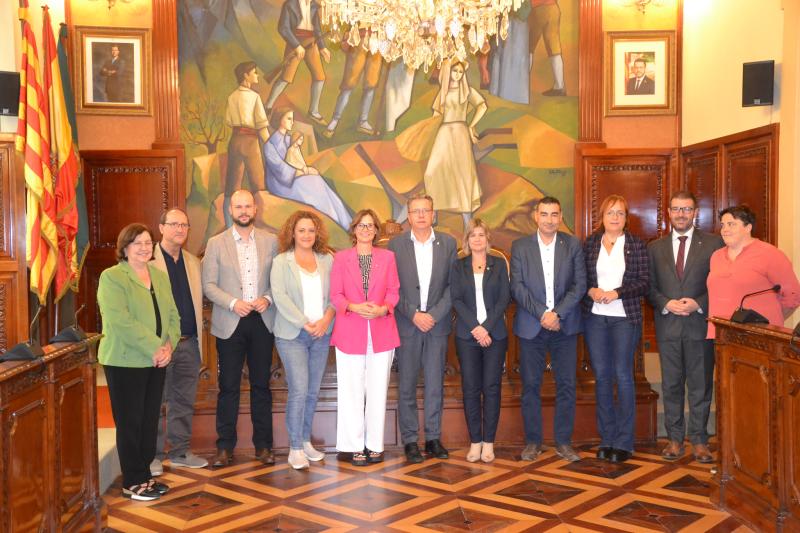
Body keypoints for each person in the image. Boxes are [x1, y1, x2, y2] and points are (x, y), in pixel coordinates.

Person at [97, 223, 180, 500]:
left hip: (156, 360)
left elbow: (173, 315)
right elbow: (120, 321)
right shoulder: (112, 277)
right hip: (125, 361)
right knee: (130, 422)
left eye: (147, 242)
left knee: (148, 420)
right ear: (125, 248)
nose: (144, 248)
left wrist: (169, 346)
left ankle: (145, 475)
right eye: (137, 243)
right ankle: (132, 481)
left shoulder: (159, 276)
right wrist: (155, 347)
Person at [202, 189, 278, 467]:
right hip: (229, 322)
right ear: (230, 210)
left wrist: (267, 298)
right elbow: (208, 285)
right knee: (228, 387)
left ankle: (264, 447)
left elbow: (279, 281)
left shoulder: (271, 241)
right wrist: (234, 303)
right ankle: (224, 448)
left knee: (261, 386)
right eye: (238, 207)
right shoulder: (216, 243)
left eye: (248, 206)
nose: (243, 211)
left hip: (262, 321)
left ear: (255, 209)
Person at [647, 192, 724, 464]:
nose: (681, 214)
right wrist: (666, 303)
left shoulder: (713, 244)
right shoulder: (654, 247)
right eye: (677, 209)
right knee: (671, 385)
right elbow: (649, 287)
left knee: (700, 386)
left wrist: (699, 303)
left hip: (699, 326)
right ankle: (675, 439)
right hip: (668, 327)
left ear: (695, 212)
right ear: (668, 212)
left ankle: (700, 440)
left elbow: (721, 284)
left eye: (687, 209)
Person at [510, 197, 586, 463]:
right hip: (532, 326)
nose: (550, 220)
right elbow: (517, 286)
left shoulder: (572, 244)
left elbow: (580, 285)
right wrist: (543, 314)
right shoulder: (520, 246)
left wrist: (557, 314)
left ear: (560, 216)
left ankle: (563, 442)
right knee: (531, 385)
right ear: (536, 216)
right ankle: (533, 442)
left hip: (565, 325)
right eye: (544, 214)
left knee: (566, 385)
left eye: (554, 214)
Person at [388, 194, 457, 463]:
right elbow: (391, 287)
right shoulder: (396, 245)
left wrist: (434, 315)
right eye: (415, 211)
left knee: (434, 384)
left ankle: (433, 438)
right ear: (408, 216)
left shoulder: (448, 243)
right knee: (406, 384)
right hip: (408, 323)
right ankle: (409, 440)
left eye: (425, 211)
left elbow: (453, 286)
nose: (420, 215)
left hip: (437, 325)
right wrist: (414, 314)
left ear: (433, 214)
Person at [330, 209, 400, 466]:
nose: (366, 230)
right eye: (361, 225)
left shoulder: (388, 257)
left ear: (376, 231)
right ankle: (354, 446)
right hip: (350, 331)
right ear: (354, 229)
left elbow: (394, 291)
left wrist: (384, 309)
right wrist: (352, 306)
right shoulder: (341, 258)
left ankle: (374, 445)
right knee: (351, 391)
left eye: (370, 226)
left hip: (381, 331)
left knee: (378, 390)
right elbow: (335, 295)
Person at [582, 194, 649, 464]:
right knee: (602, 377)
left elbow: (644, 282)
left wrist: (617, 293)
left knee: (623, 376)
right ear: (602, 216)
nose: (615, 217)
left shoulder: (635, 244)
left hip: (624, 318)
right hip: (595, 319)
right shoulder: (590, 243)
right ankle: (607, 438)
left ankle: (623, 442)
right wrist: (591, 290)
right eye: (610, 212)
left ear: (626, 218)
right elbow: (581, 278)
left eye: (620, 213)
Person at [270, 210, 336, 469]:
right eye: (301, 230)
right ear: (292, 233)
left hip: (321, 334)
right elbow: (280, 296)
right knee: (299, 389)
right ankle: (295, 447)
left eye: (311, 230)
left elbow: (336, 294)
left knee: (312, 391)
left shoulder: (327, 260)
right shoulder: (281, 262)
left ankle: (306, 441)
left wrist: (326, 320)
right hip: (292, 335)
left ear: (317, 233)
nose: (307, 235)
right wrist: (304, 323)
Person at [150, 209, 209, 475]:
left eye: (184, 225)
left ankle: (180, 452)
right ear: (161, 227)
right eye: (174, 224)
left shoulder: (193, 262)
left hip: (189, 343)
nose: (180, 229)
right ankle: (152, 455)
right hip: (159, 345)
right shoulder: (148, 260)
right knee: (155, 402)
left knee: (183, 402)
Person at [450, 219, 510, 463]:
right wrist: (476, 328)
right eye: (472, 235)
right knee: (471, 388)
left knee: (492, 388)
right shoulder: (458, 266)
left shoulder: (499, 264)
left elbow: (504, 299)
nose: (477, 239)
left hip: (495, 335)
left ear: (487, 239)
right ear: (467, 240)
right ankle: (475, 441)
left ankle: (489, 442)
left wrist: (486, 328)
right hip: (467, 336)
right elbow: (456, 299)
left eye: (481, 234)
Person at [707, 204, 800, 338]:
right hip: (721, 335)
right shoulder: (716, 256)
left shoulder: (771, 254)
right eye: (723, 225)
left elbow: (793, 296)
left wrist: (770, 321)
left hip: (759, 337)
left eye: (731, 224)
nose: (724, 230)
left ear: (748, 227)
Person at [423, 60, 487, 232]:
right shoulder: (443, 93)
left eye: (460, 71)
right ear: (448, 72)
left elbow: (482, 106)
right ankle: (434, 215)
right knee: (432, 172)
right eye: (454, 71)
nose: (458, 74)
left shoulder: (466, 91)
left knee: (462, 175)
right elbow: (436, 116)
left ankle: (467, 222)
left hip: (460, 133)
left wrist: (471, 126)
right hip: (444, 134)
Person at [264, 108, 352, 229]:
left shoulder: (290, 139)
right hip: (281, 185)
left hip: (295, 177)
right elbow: (280, 169)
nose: (292, 122)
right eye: (289, 119)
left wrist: (307, 170)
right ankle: (337, 222)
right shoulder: (270, 145)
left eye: (292, 119)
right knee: (314, 185)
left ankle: (347, 223)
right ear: (279, 120)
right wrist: (303, 172)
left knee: (319, 181)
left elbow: (297, 160)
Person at [265, 0, 330, 125]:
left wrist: (322, 48)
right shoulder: (290, 4)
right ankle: (268, 106)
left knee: (320, 77)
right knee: (286, 77)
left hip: (312, 42)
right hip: (294, 41)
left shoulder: (314, 6)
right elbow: (283, 28)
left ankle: (313, 111)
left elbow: (317, 30)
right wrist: (296, 46)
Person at [222, 61, 270, 227]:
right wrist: (271, 145)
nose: (257, 75)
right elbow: (262, 127)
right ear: (245, 75)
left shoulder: (231, 97)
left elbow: (229, 121)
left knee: (231, 187)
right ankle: (260, 226)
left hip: (235, 141)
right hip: (250, 142)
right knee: (259, 185)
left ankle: (230, 227)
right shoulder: (254, 97)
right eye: (254, 72)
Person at [323, 31, 384, 137]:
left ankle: (363, 121)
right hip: (359, 37)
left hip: (378, 40)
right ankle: (335, 120)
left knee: (371, 83)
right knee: (349, 82)